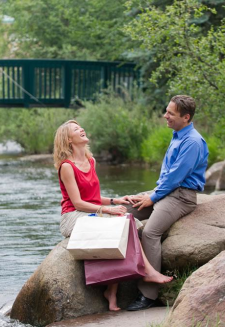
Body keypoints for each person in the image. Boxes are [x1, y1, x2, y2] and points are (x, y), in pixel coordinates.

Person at [54, 119, 173, 312]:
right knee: (119, 224)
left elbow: (92, 197)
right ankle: (148, 271)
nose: (82, 129)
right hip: (73, 217)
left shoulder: (91, 161)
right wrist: (108, 210)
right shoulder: (67, 166)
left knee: (125, 225)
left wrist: (115, 201)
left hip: (89, 212)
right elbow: (77, 203)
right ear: (68, 140)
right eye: (76, 129)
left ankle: (111, 291)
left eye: (81, 126)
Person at [124, 95, 208, 311]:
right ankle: (116, 279)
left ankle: (148, 295)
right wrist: (151, 194)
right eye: (167, 111)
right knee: (124, 211)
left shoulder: (192, 142)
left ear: (186, 117)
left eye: (170, 113)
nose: (165, 116)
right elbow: (168, 177)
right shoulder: (178, 134)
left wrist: (152, 197)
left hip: (181, 197)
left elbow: (176, 176)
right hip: (166, 190)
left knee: (150, 232)